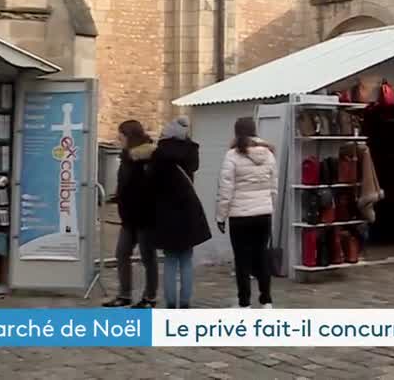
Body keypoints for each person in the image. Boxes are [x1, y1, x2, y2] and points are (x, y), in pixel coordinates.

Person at [216, 117, 277, 309]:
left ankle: (244, 303)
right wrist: (269, 206)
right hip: (263, 214)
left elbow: (226, 190)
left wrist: (221, 216)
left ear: (236, 132)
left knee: (241, 259)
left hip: (240, 217)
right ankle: (266, 300)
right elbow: (273, 187)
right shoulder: (269, 155)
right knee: (262, 255)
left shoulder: (232, 156)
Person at [151, 116, 212, 309]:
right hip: (187, 210)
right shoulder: (191, 151)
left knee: (170, 261)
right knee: (186, 259)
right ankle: (185, 302)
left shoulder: (158, 154)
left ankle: (170, 302)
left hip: (165, 212)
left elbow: (152, 184)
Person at [105, 120, 158, 308]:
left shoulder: (148, 158)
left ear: (129, 136)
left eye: (121, 135)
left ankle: (149, 297)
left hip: (145, 216)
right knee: (121, 253)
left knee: (147, 257)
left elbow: (151, 187)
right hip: (128, 217)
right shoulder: (126, 157)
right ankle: (124, 294)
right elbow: (124, 184)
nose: (118, 138)